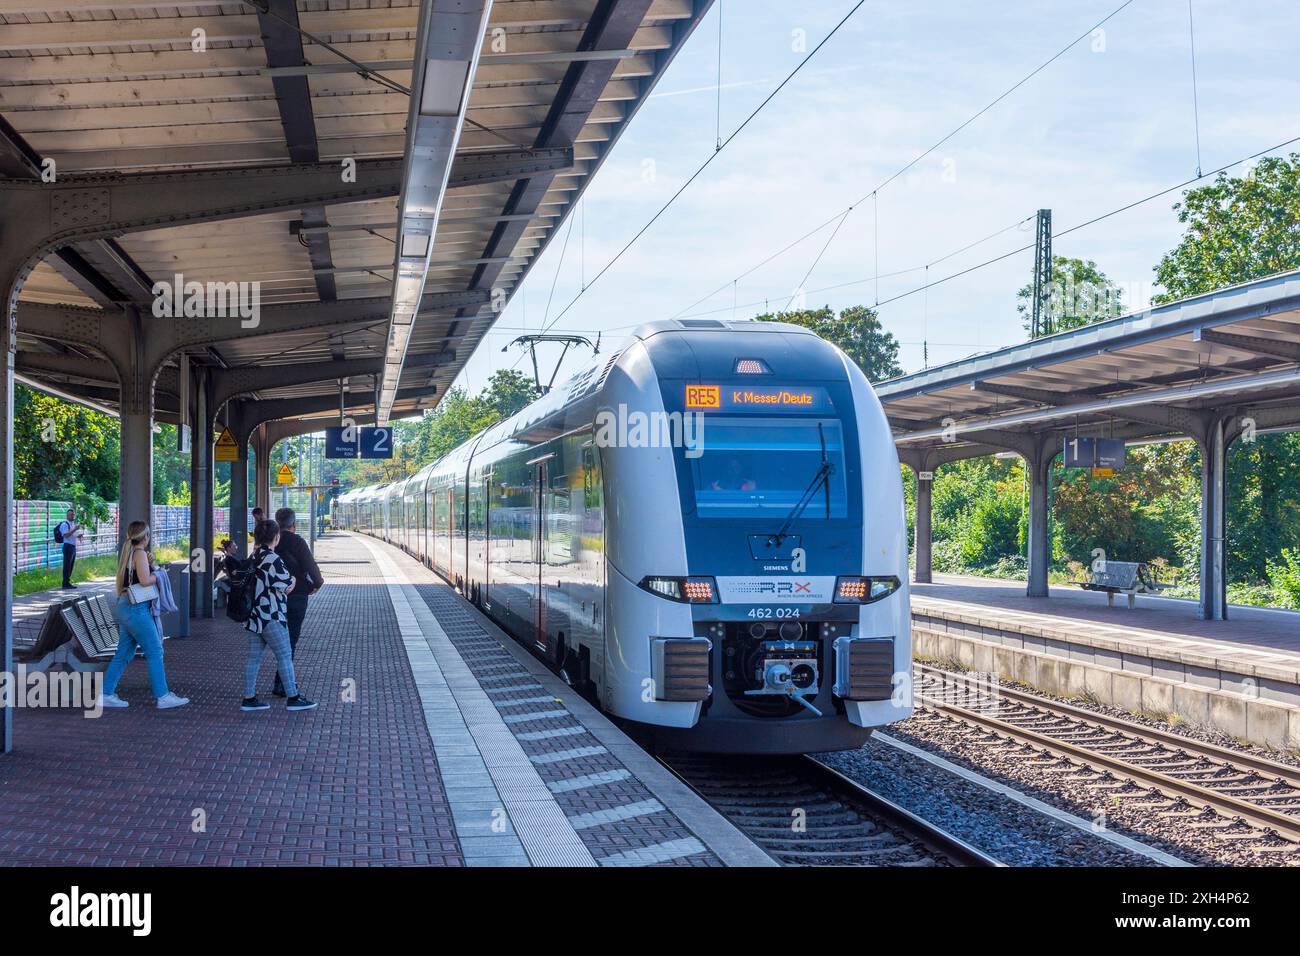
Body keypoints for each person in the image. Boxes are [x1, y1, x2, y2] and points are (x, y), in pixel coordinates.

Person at [100, 521, 190, 710]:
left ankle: (105, 693)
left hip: (125, 606)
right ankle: (163, 696)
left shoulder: (129, 552)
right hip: (137, 609)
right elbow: (145, 580)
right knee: (155, 651)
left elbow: (136, 575)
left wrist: (150, 564)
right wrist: (159, 575)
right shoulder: (139, 553)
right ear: (146, 536)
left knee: (124, 653)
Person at [241, 519, 316, 712]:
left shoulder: (255, 555)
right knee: (284, 655)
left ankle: (249, 698)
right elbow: (286, 586)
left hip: (254, 616)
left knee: (254, 658)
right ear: (276, 537)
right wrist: (291, 578)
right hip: (271, 614)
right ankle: (293, 697)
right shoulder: (272, 558)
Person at [272, 508, 324, 698]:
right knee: (290, 641)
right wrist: (317, 584)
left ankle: (280, 682)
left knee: (276, 641)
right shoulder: (298, 542)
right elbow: (311, 567)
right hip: (297, 597)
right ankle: (282, 683)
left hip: (274, 598)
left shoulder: (271, 542)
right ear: (293, 525)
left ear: (277, 523)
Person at [56, 508, 85, 589]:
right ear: (67, 515)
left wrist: (78, 535)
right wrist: (75, 529)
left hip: (72, 546)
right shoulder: (64, 524)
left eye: (73, 514)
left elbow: (72, 535)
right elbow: (66, 535)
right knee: (67, 565)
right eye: (71, 515)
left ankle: (67, 582)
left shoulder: (72, 524)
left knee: (71, 565)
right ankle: (65, 583)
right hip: (67, 546)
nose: (73, 516)